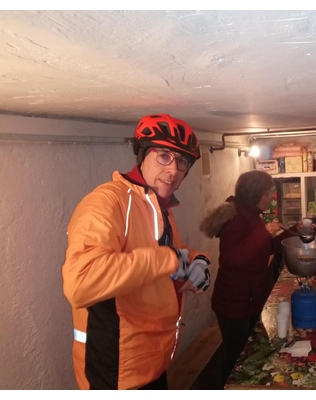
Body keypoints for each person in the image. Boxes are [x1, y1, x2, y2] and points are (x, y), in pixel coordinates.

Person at [62, 114, 212, 390]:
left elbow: (171, 254)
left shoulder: (158, 204)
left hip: (155, 363)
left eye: (182, 162)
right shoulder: (106, 202)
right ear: (142, 155)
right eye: (164, 156)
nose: (173, 170)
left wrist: (198, 261)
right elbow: (81, 283)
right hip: (115, 373)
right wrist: (170, 260)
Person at [199, 170, 300, 382]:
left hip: (250, 299)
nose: (271, 197)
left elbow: (264, 248)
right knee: (237, 359)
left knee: (251, 351)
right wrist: (264, 232)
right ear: (254, 194)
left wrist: (292, 232)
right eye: (267, 193)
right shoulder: (236, 219)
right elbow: (232, 258)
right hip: (233, 303)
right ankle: (230, 388)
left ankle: (249, 385)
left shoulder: (251, 214)